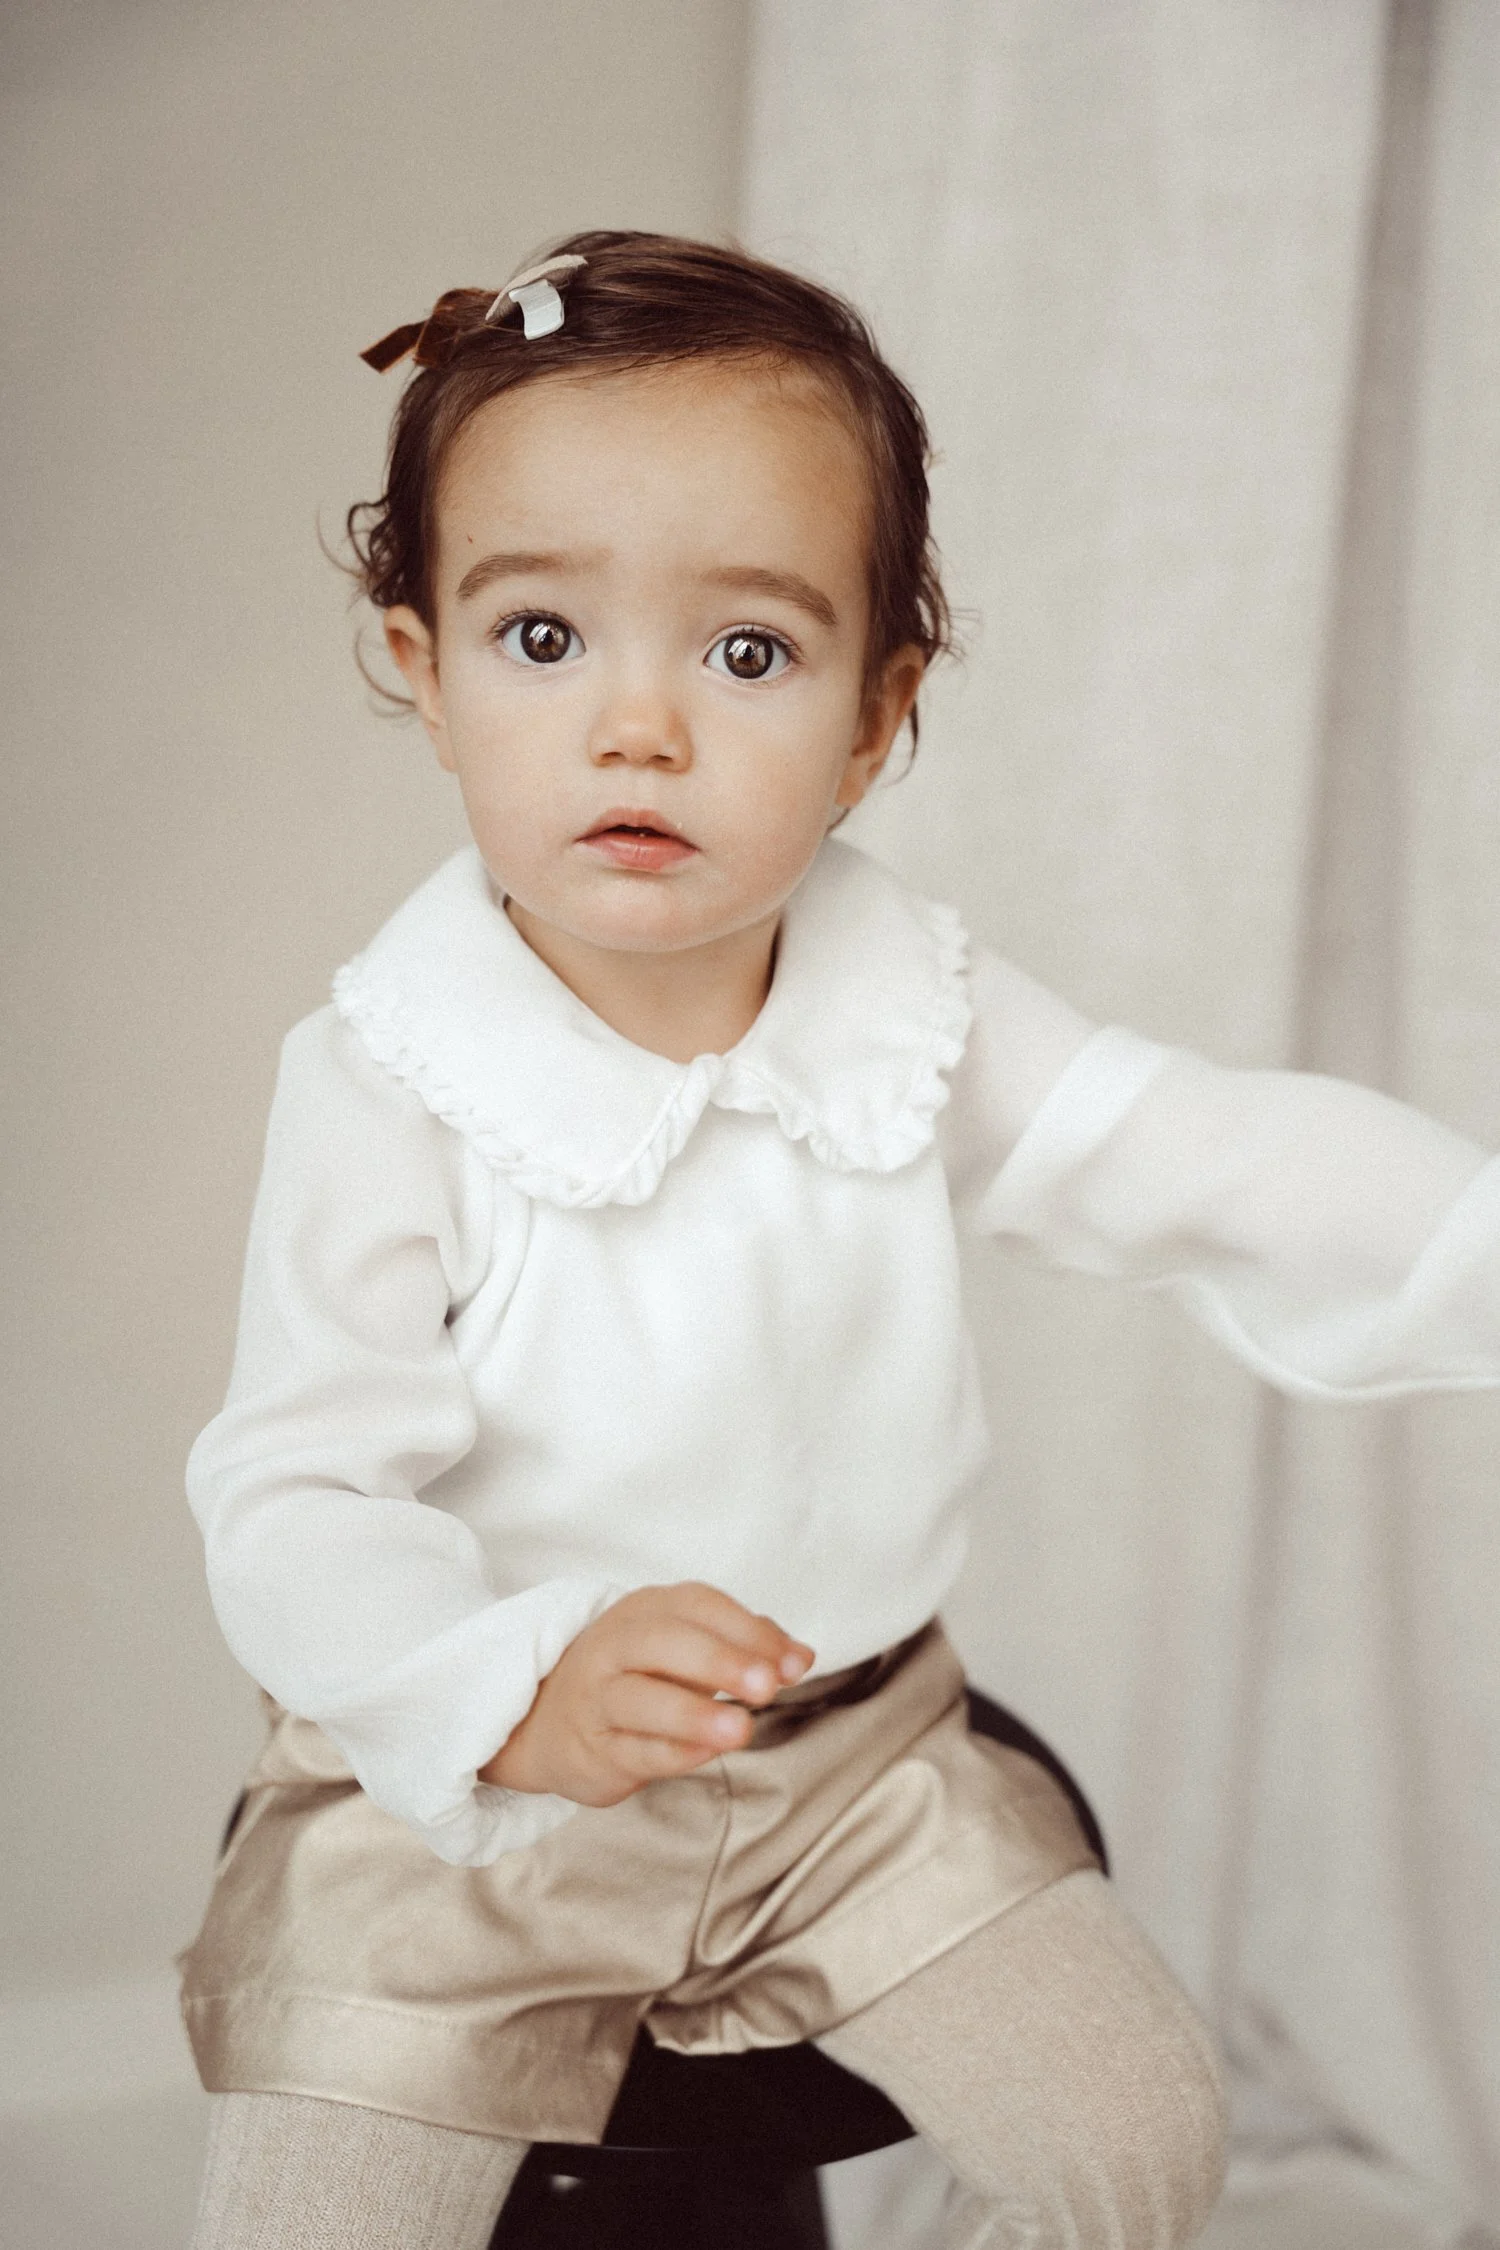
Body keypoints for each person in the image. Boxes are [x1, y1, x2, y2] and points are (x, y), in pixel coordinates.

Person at [179, 231, 1500, 2250]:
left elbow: (1207, 1155)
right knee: (309, 2224)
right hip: (466, 1809)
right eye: (545, 638)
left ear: (878, 720)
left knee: (1137, 2135)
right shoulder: (386, 1081)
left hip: (854, 1782)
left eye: (747, 653)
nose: (641, 726)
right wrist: (499, 1684)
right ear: (417, 662)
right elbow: (296, 1493)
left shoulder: (918, 1015)